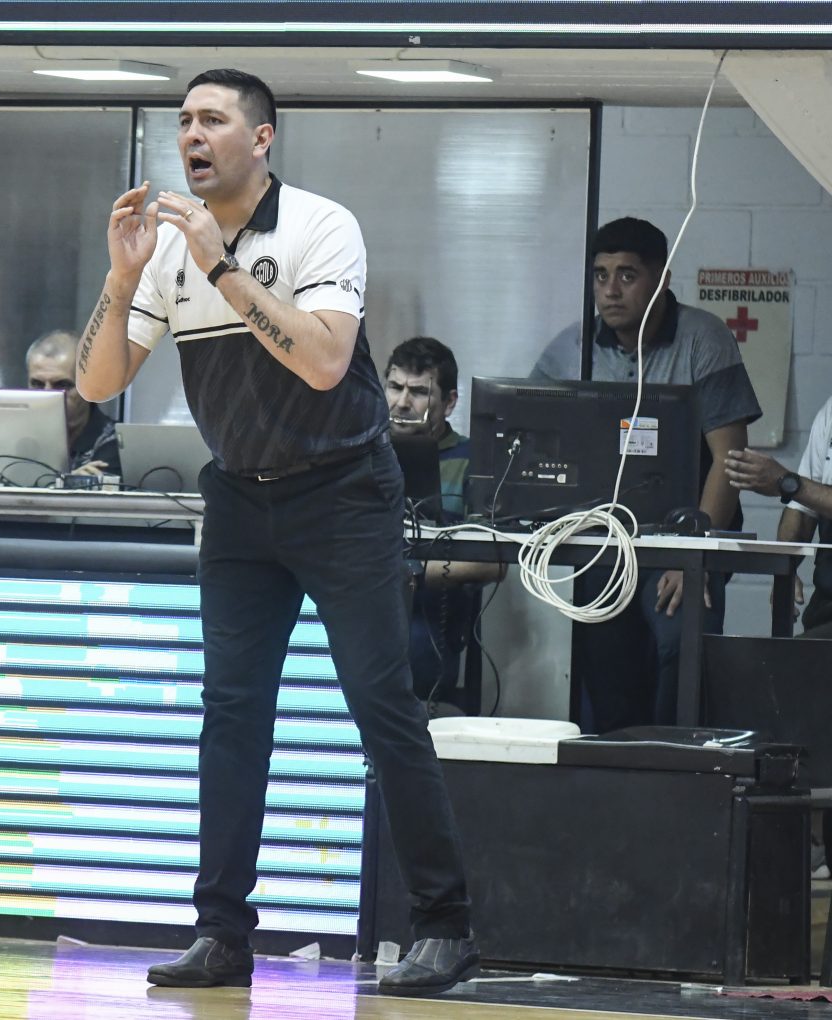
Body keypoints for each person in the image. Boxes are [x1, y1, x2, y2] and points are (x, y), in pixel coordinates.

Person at [75, 68, 477, 997]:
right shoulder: (166, 248)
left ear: (261, 139)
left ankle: (445, 926)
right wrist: (123, 275)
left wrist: (221, 265)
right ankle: (222, 934)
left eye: (212, 120)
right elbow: (97, 383)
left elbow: (327, 362)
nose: (191, 134)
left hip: (344, 493)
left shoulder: (320, 225)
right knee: (232, 711)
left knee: (380, 702)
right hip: (240, 500)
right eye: (184, 120)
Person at [534, 217, 761, 731]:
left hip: (684, 544)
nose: (610, 290)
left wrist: (691, 555)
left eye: (627, 275)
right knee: (607, 679)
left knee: (681, 655)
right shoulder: (573, 346)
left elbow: (729, 460)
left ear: (661, 279)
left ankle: (674, 768)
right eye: (600, 275)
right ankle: (618, 775)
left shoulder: (704, 338)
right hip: (602, 543)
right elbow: (529, 430)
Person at [385, 336, 503, 707]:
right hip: (360, 605)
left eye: (419, 392)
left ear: (450, 402)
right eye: (395, 387)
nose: (402, 402)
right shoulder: (365, 453)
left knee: (406, 651)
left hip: (428, 620)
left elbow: (494, 562)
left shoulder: (475, 461)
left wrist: (409, 574)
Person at [725, 400, 832, 640]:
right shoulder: (830, 411)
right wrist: (785, 567)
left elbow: (799, 488)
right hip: (825, 602)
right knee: (784, 655)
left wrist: (787, 482)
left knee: (790, 659)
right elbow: (802, 507)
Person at [25, 329, 120, 477]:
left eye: (62, 385)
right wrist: (69, 481)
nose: (47, 395)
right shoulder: (16, 436)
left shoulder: (115, 443)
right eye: (37, 384)